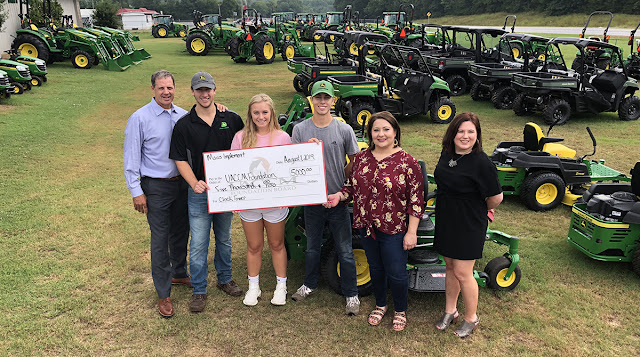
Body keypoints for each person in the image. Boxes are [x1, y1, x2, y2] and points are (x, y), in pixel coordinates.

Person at [326, 111, 425, 331]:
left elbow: (416, 201)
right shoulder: (361, 158)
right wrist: (339, 196)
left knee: (396, 272)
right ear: (370, 133)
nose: (381, 134)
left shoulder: (408, 162)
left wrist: (412, 232)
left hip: (395, 229)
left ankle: (400, 309)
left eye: (386, 129)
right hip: (366, 226)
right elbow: (351, 187)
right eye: (376, 130)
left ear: (395, 131)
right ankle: (381, 304)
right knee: (376, 269)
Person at [169, 72, 245, 313]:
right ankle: (199, 289)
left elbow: (246, 148)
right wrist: (193, 183)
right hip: (200, 192)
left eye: (208, 89)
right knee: (199, 243)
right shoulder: (183, 124)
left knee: (224, 238)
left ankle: (225, 279)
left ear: (215, 90)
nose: (204, 94)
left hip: (226, 191)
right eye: (199, 90)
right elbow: (179, 158)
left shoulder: (231, 118)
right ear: (192, 92)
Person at [123, 69, 190, 318]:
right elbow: (131, 156)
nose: (166, 92)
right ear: (153, 89)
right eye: (161, 88)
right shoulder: (139, 118)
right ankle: (163, 293)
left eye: (170, 87)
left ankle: (179, 273)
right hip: (156, 187)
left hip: (182, 184)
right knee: (160, 239)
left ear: (175, 88)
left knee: (181, 232)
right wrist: (136, 191)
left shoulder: (183, 115)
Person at [290, 80, 361, 315]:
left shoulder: (343, 129)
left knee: (345, 248)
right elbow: (292, 162)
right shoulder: (300, 129)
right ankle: (309, 284)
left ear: (333, 100)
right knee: (312, 247)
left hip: (337, 199)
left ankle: (351, 293)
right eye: (317, 97)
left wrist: (343, 188)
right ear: (311, 100)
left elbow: (354, 160)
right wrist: (304, 150)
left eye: (326, 97)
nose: (322, 102)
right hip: (312, 199)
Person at [433, 112, 503, 338]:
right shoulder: (447, 154)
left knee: (464, 271)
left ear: (477, 135)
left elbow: (496, 198)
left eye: (470, 132)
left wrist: (479, 209)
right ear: (452, 134)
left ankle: (471, 318)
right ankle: (450, 311)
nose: (465, 136)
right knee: (450, 267)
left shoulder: (482, 163)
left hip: (469, 221)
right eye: (460, 131)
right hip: (446, 218)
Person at [230, 94, 292, 306]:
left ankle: (281, 286)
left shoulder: (282, 137)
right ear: (250, 114)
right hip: (250, 204)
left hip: (275, 204)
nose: (260, 116)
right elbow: (233, 171)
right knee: (254, 245)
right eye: (256, 112)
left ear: (272, 113)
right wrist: (234, 199)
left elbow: (288, 170)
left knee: (276, 244)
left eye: (265, 112)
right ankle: (253, 287)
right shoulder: (240, 138)